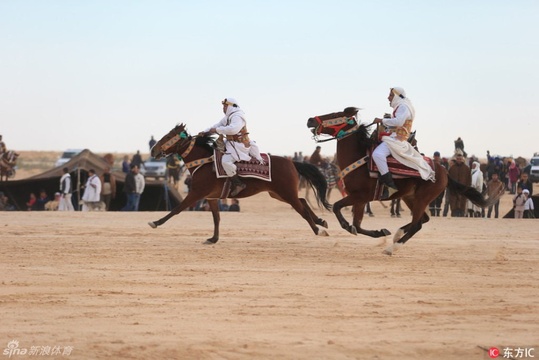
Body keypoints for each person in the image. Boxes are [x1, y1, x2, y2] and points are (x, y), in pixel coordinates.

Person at [372, 87, 435, 198]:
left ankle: (390, 186)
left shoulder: (403, 107)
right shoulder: (401, 106)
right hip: (393, 137)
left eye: (391, 95)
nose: (388, 97)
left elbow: (399, 121)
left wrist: (381, 120)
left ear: (396, 96)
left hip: (396, 139)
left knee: (377, 154)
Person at [200, 97, 264, 197]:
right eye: (223, 106)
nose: (223, 108)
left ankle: (238, 183)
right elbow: (217, 125)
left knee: (225, 161)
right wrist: (205, 132)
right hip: (231, 143)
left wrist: (217, 130)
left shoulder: (237, 116)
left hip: (239, 146)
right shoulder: (228, 117)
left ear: (231, 106)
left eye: (225, 106)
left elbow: (233, 130)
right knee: (214, 150)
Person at [448, 150, 471, 217]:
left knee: (462, 201)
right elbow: (449, 178)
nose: (459, 160)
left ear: (462, 159)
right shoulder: (452, 168)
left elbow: (469, 179)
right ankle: (454, 213)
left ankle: (461, 213)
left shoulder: (466, 169)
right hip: (454, 189)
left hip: (463, 189)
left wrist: (467, 188)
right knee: (453, 201)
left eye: (460, 159)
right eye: (457, 159)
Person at [429, 151, 444, 216]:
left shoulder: (443, 164)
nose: (436, 157)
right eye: (435, 156)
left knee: (439, 199)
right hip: (432, 184)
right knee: (431, 198)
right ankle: (432, 212)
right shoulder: (431, 164)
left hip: (440, 184)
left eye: (437, 156)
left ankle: (438, 213)